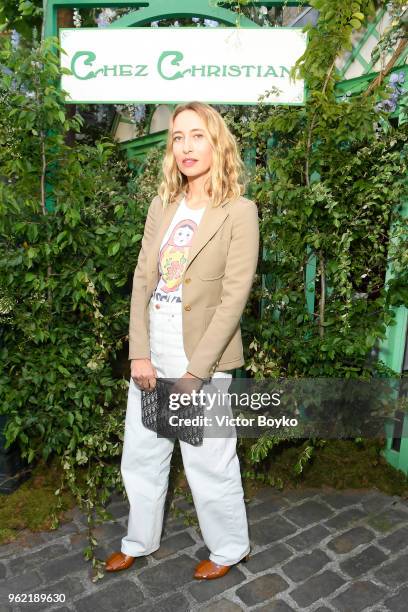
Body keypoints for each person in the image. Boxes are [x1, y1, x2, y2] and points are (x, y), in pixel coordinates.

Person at [105, 101, 259, 580]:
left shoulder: (239, 212)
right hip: (155, 356)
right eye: (177, 137)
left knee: (209, 461)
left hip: (201, 362)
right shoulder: (162, 206)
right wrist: (139, 352)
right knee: (143, 456)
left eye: (197, 135)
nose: (187, 146)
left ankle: (230, 548)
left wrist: (197, 373)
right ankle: (139, 540)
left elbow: (233, 298)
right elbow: (142, 280)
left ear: (217, 142)